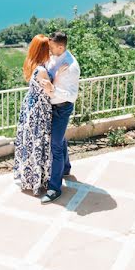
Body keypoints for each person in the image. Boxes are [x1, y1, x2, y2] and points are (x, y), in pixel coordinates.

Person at [37, 31, 80, 204]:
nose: (49, 49)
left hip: (62, 108)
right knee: (59, 139)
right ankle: (66, 168)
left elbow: (72, 95)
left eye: (52, 47)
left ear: (60, 47)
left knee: (55, 145)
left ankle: (54, 188)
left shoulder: (71, 66)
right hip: (52, 106)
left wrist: (53, 90)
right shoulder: (55, 57)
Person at [12, 34, 53, 193]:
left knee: (28, 142)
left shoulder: (32, 64)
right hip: (39, 110)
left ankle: (28, 177)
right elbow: (50, 93)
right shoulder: (42, 70)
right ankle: (39, 180)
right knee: (39, 142)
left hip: (29, 107)